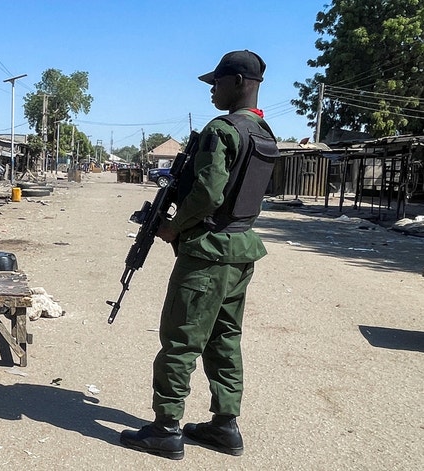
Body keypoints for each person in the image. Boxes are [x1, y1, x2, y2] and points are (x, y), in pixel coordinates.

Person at [119, 50, 279, 460]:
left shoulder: (221, 130)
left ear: (239, 82)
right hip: (241, 250)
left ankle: (166, 428)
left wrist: (174, 227)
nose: (211, 89)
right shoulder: (264, 133)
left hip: (207, 253)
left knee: (180, 340)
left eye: (217, 82)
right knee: (225, 338)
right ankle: (225, 426)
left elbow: (208, 193)